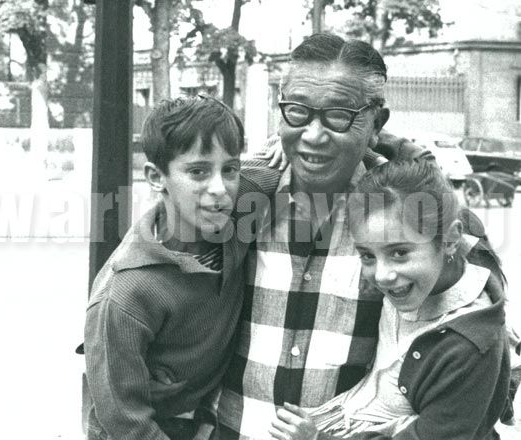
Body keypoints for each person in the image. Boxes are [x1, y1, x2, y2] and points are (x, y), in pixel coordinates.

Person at [211, 33, 509, 439]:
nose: (313, 136)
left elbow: (474, 335)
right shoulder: (238, 195)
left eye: (338, 115)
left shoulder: (413, 212)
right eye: (297, 111)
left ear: (376, 124)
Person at [268, 160, 510, 440]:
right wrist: (289, 144)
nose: (382, 276)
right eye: (367, 255)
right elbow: (388, 158)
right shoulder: (425, 275)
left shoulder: (470, 346)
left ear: (450, 240)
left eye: (399, 253)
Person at [82, 95, 277, 440]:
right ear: (156, 177)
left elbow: (300, 148)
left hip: (205, 416)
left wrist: (382, 149)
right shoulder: (126, 294)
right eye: (198, 171)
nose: (219, 188)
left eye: (230, 169)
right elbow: (124, 419)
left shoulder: (238, 210)